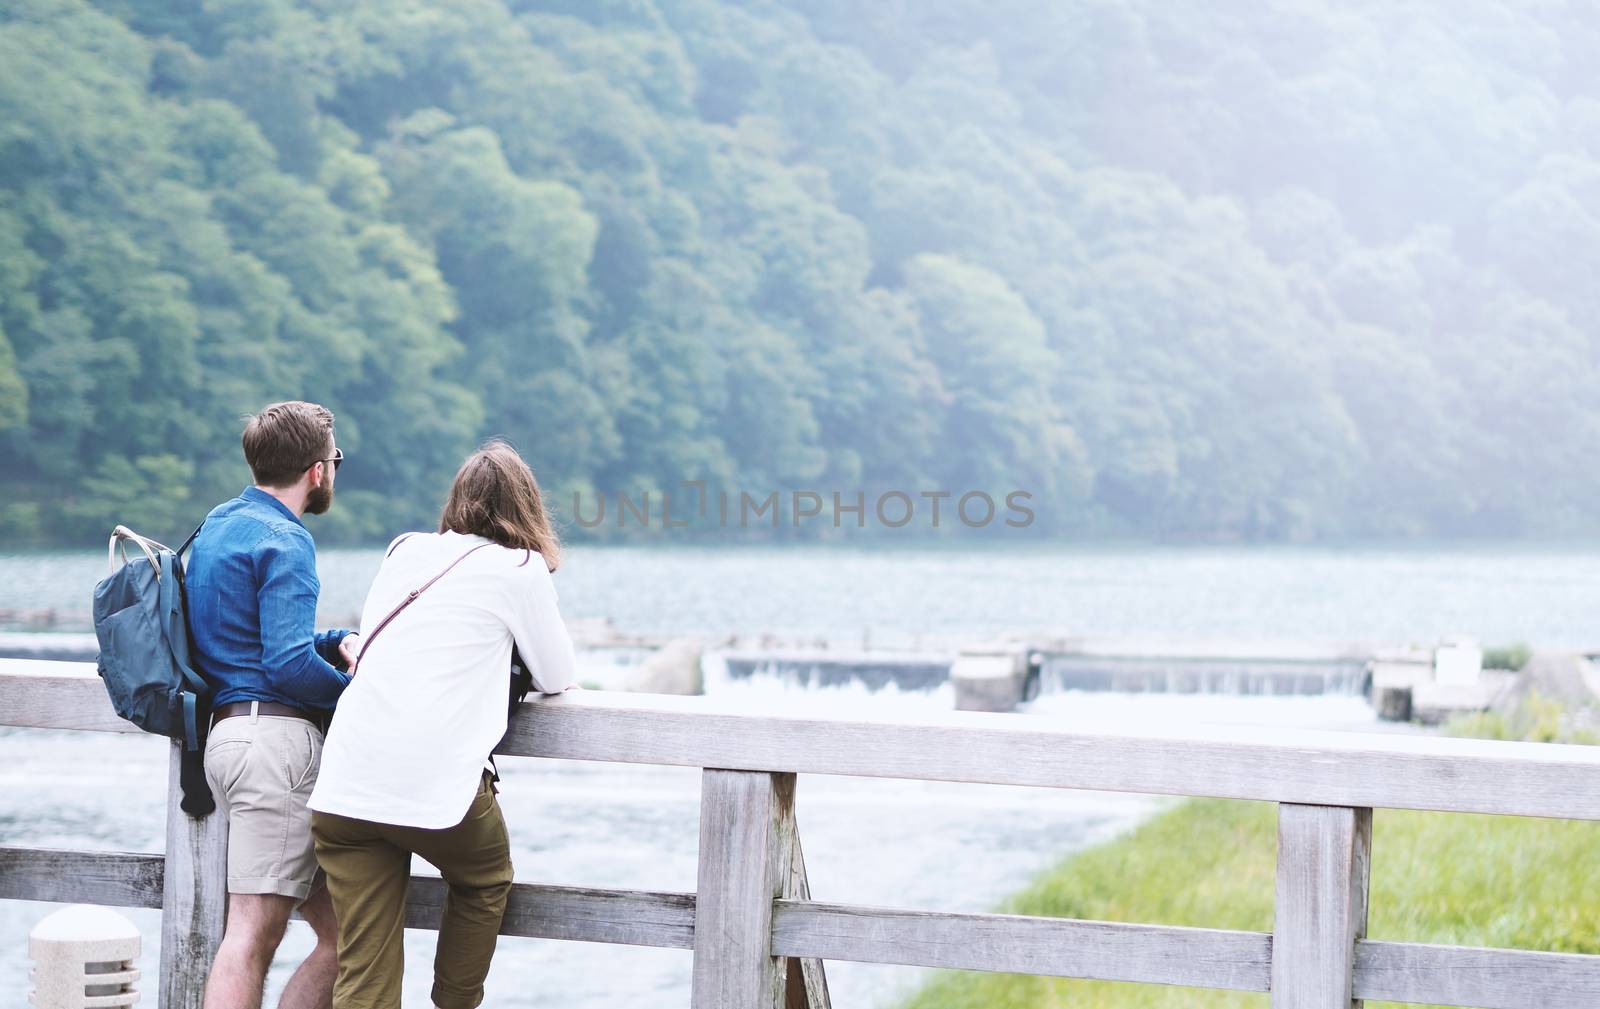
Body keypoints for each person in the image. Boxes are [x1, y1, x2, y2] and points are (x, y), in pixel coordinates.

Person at [309, 440, 579, 1009]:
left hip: (345, 788)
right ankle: (455, 1001)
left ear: (457, 499)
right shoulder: (521, 566)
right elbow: (558, 674)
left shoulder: (403, 548)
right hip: (432, 791)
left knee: (364, 975)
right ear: (527, 506)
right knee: (484, 879)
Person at [187, 400, 361, 1009]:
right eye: (334, 460)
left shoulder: (219, 524)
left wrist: (332, 640)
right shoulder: (288, 542)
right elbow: (285, 666)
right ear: (318, 471)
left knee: (348, 935)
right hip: (274, 752)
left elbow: (242, 638)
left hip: (227, 742)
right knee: (251, 936)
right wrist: (356, 700)